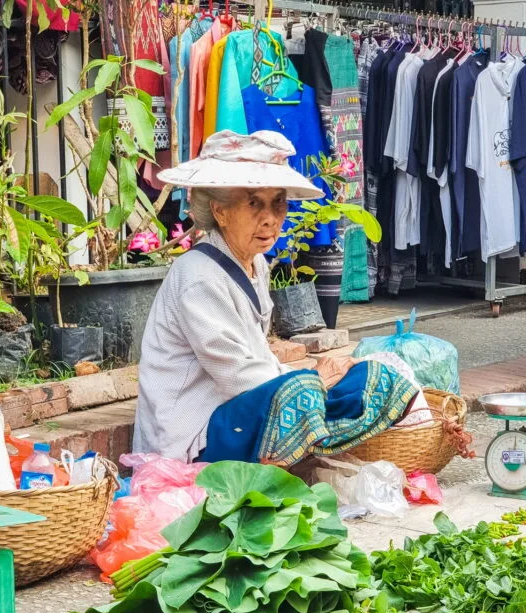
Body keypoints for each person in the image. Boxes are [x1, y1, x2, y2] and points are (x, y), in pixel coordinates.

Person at [133, 130, 420, 465]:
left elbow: (258, 359)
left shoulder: (255, 262)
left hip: (238, 408)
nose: (270, 218)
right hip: (192, 439)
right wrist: (314, 380)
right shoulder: (198, 278)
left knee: (366, 377)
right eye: (254, 203)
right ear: (220, 211)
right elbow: (239, 375)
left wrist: (324, 375)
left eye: (278, 203)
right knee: (305, 392)